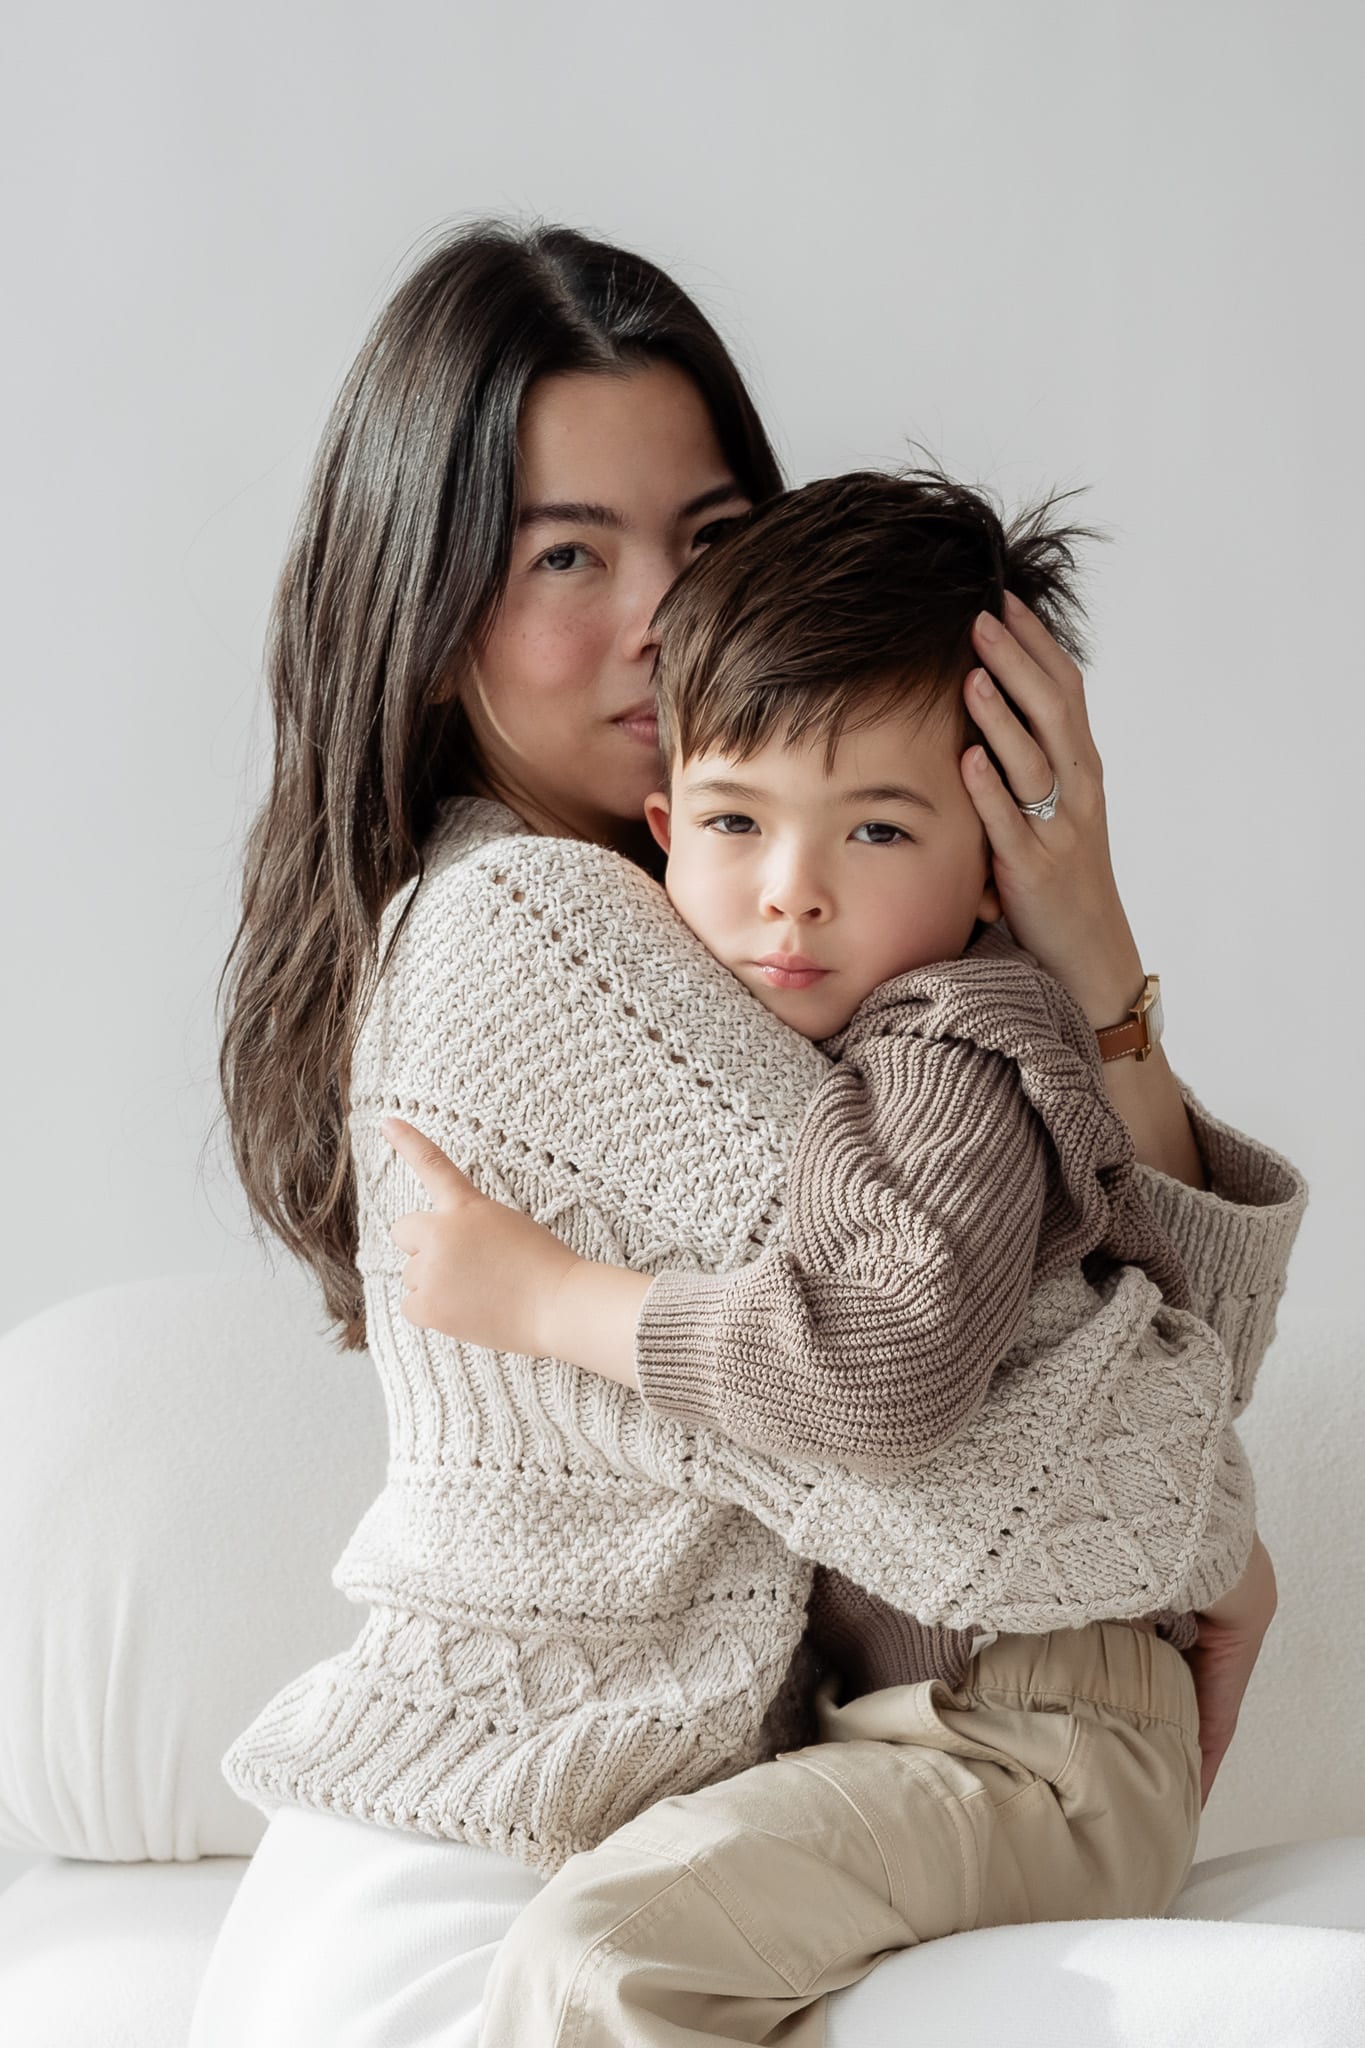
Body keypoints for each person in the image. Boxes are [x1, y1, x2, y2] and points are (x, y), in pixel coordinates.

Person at [190, 220, 1304, 2048]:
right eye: (567, 551)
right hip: (494, 1886)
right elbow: (978, 1426)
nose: (656, 615)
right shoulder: (541, 932)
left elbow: (1132, 1368)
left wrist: (1090, 962)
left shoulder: (773, 944)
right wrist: (1205, 1533)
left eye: (706, 539)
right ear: (429, 611)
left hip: (579, 1838)